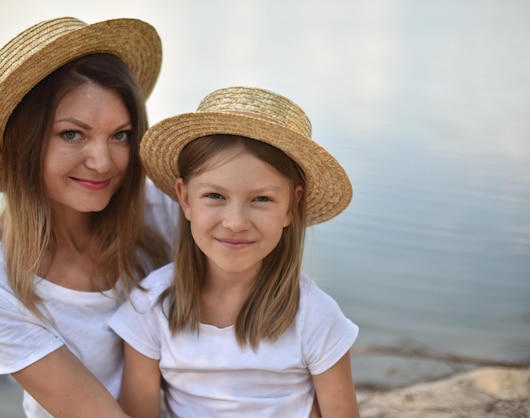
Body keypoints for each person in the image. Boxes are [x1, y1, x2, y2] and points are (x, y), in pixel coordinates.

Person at [0, 17, 177, 418]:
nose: (103, 162)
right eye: (72, 134)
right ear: (24, 143)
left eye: (120, 135)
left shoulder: (162, 207)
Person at [109, 86, 360, 417]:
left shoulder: (316, 316)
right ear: (185, 198)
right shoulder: (150, 309)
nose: (236, 222)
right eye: (215, 196)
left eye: (262, 199)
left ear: (291, 207)